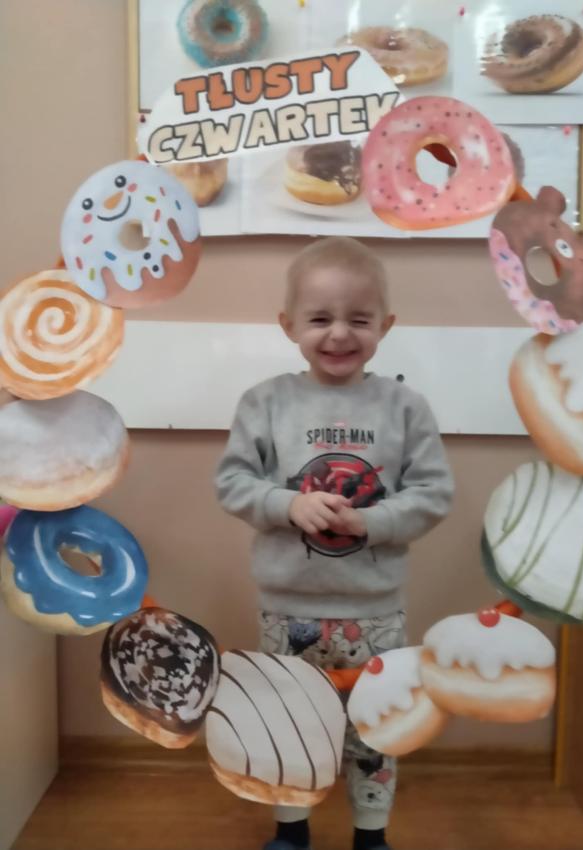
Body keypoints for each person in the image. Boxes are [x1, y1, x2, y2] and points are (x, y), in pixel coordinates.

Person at [216, 236, 454, 850]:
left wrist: (372, 522)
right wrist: (288, 505)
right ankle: (291, 830)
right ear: (289, 324)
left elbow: (433, 493)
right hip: (286, 610)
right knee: (288, 720)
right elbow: (233, 483)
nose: (340, 334)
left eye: (360, 319)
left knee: (374, 727)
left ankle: (370, 835)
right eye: (320, 318)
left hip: (375, 612)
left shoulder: (405, 407)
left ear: (386, 325)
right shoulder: (265, 402)